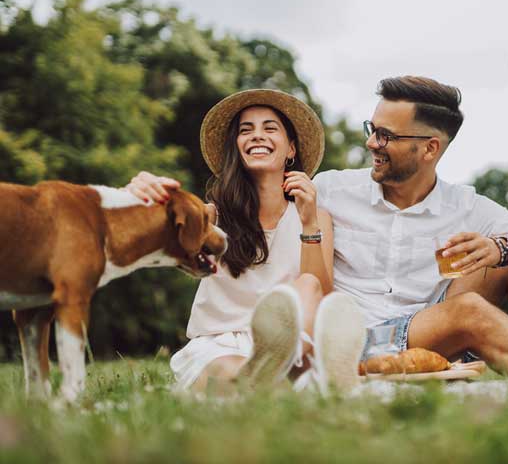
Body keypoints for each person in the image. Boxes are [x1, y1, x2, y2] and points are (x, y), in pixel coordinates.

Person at [313, 75, 508, 379]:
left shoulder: (464, 206)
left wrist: (501, 248)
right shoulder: (332, 190)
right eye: (371, 129)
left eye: (385, 135)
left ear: (429, 149)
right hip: (356, 338)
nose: (371, 143)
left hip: (429, 336)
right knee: (470, 310)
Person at [127, 89, 365, 394]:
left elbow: (321, 297)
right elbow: (156, 239)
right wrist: (142, 197)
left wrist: (308, 224)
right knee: (231, 371)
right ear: (237, 147)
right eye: (245, 130)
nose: (256, 136)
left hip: (294, 344)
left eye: (269, 128)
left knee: (307, 285)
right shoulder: (213, 216)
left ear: (291, 149)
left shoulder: (316, 218)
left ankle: (294, 369)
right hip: (220, 345)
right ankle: (298, 379)